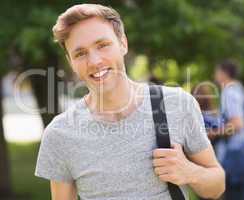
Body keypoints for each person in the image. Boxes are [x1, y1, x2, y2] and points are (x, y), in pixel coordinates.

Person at [35, 4, 225, 200]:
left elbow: (217, 185)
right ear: (71, 62)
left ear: (123, 44)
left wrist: (189, 172)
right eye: (80, 53)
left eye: (102, 45)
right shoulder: (60, 134)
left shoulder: (177, 104)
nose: (94, 61)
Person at [214, 60, 244, 200]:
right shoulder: (240, 89)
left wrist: (212, 133)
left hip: (234, 154)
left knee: (236, 194)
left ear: (224, 73)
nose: (214, 75)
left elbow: (238, 124)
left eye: (216, 71)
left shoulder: (230, 92)